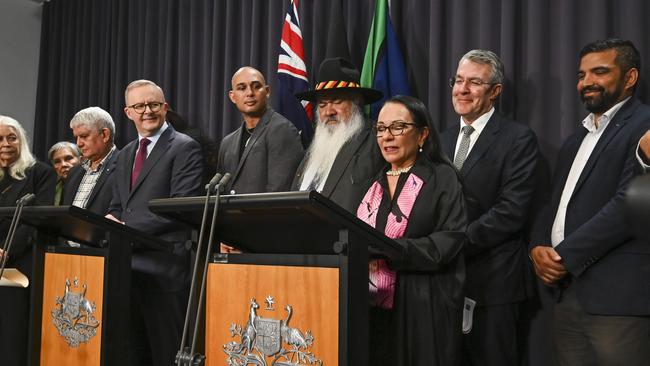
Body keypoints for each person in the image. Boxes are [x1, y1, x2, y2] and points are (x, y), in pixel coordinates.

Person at [529, 38, 650, 365]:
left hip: (619, 301)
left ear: (630, 78)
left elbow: (632, 205)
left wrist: (562, 255)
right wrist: (538, 246)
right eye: (582, 75)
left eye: (599, 72)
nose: (586, 82)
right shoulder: (575, 141)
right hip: (567, 294)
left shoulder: (645, 126)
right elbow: (553, 204)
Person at [440, 49, 538, 366]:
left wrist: (452, 244)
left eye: (474, 82)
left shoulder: (518, 139)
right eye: (458, 80)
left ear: (495, 91)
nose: (462, 89)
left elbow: (511, 211)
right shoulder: (439, 141)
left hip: (494, 285)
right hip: (443, 285)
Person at [356, 96, 466, 365]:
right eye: (381, 128)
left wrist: (390, 249)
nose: (387, 137)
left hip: (421, 306)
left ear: (422, 135)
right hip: (369, 309)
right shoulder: (373, 184)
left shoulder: (442, 177)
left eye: (398, 127)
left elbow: (449, 240)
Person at [106, 79, 204, 366]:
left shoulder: (185, 148)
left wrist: (122, 229)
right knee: (133, 354)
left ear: (165, 107)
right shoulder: (124, 154)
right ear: (128, 112)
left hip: (166, 270)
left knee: (166, 354)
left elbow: (179, 207)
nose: (147, 111)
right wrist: (106, 223)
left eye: (153, 104)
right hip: (126, 271)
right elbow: (118, 206)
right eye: (139, 106)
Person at [293, 57, 384, 213]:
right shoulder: (314, 150)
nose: (329, 111)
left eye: (337, 102)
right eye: (322, 104)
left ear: (357, 104)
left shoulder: (375, 141)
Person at [0, 116, 56, 366]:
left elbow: (36, 219)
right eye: (0, 139)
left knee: (13, 331)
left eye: (12, 137)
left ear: (21, 139)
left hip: (19, 262)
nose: (6, 143)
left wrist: (5, 250)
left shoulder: (40, 172)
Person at [217, 66, 303, 194]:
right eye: (241, 88)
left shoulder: (283, 130)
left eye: (256, 86)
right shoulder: (227, 142)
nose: (250, 93)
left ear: (267, 91)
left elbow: (278, 193)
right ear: (233, 96)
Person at [62, 107, 119, 215]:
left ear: (104, 135)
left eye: (84, 136)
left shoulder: (126, 166)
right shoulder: (73, 172)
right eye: (77, 137)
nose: (78, 143)